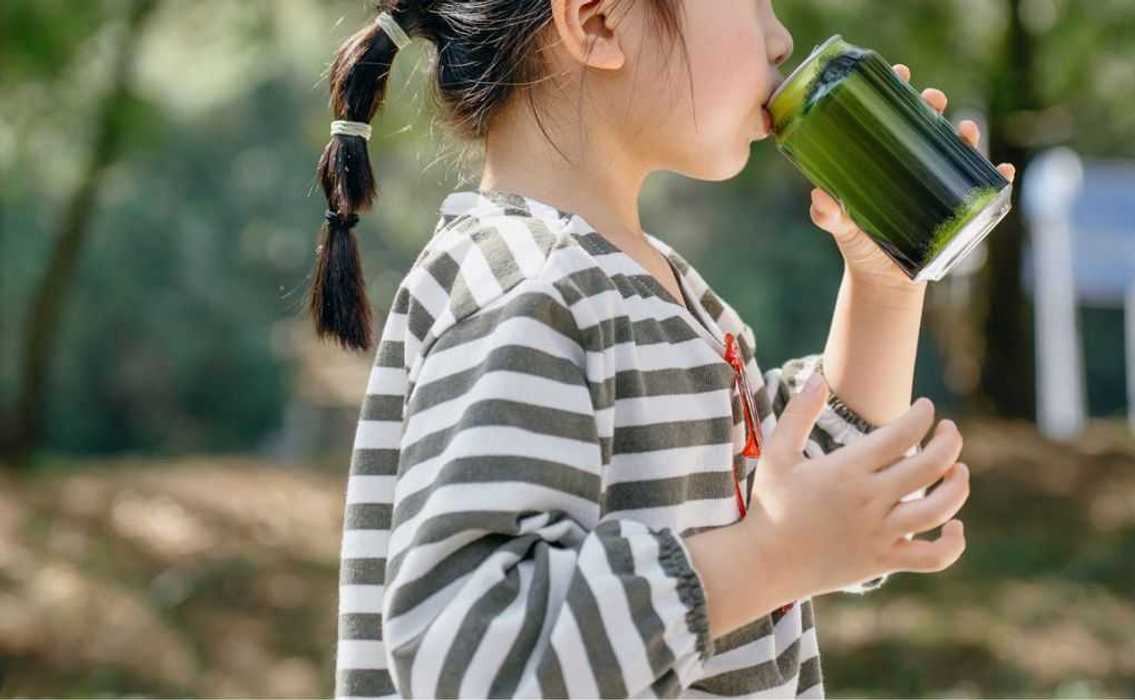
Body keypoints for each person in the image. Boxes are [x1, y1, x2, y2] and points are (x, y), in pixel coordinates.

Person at [313, 1, 1015, 697]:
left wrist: (884, 284)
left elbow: (793, 492)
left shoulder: (641, 284)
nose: (779, 39)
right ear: (597, 23)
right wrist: (769, 556)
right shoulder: (529, 289)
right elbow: (477, 656)